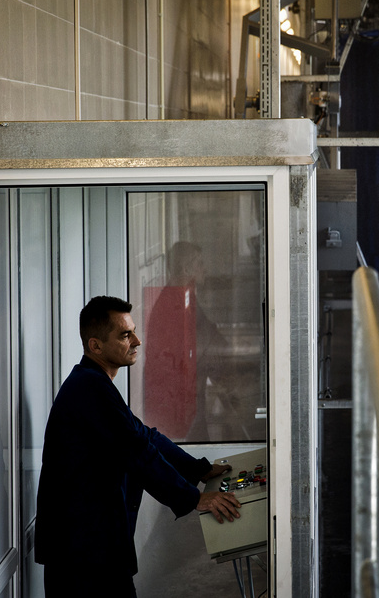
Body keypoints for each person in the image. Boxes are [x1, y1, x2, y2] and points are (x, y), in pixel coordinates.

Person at [34, 295, 242, 598]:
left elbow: (145, 436)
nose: (138, 340)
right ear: (95, 346)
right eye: (125, 334)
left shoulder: (94, 384)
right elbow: (136, 450)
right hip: (82, 558)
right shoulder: (89, 389)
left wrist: (199, 469)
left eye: (133, 331)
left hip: (96, 551)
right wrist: (193, 498)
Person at [144, 242, 226, 440]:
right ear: (186, 268)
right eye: (200, 263)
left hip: (188, 396)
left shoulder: (186, 294)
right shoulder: (172, 303)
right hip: (175, 403)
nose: (205, 269)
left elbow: (206, 333)